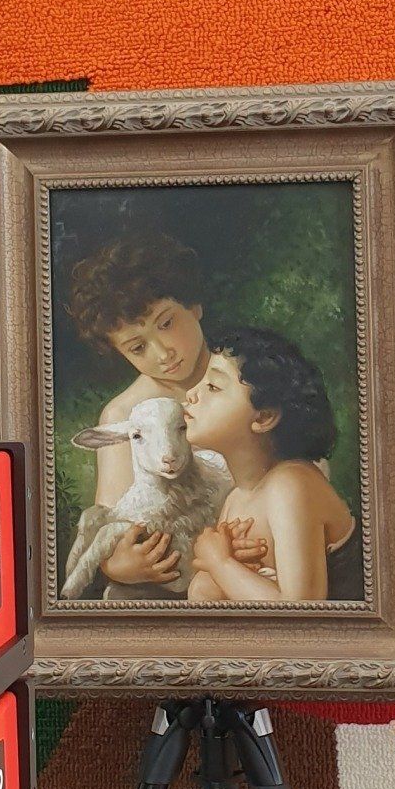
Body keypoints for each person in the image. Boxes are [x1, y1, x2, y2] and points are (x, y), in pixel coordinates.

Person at [62, 228, 213, 588]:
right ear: (120, 352)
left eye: (166, 324)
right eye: (137, 347)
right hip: (165, 578)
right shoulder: (123, 414)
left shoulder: (241, 379)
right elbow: (113, 516)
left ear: (193, 305)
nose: (163, 353)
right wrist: (118, 566)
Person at [181, 326, 355, 603]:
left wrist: (219, 563)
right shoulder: (236, 498)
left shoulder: (291, 485)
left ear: (263, 417)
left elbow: (300, 609)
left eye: (213, 387)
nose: (191, 393)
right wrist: (217, 568)